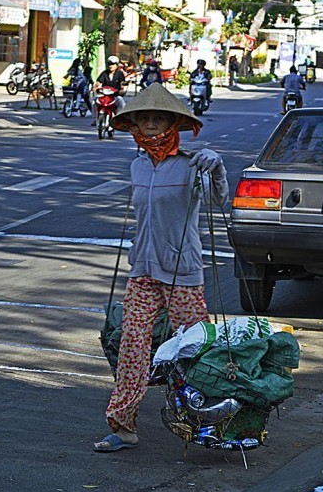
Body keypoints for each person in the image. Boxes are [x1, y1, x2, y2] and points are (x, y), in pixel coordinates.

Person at [92, 82, 229, 452]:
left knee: (196, 351)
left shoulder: (192, 164)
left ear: (172, 124)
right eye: (144, 118)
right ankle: (123, 427)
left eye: (158, 119)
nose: (150, 125)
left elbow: (219, 200)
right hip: (143, 273)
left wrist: (216, 168)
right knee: (132, 350)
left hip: (183, 274)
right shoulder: (137, 165)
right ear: (135, 123)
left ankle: (216, 421)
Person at [92, 55, 127, 126]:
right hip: (104, 96)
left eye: (113, 64)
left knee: (121, 101)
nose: (111, 66)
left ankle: (119, 118)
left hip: (115, 96)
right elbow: (98, 82)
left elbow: (122, 83)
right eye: (109, 64)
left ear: (117, 65)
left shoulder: (120, 73)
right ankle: (95, 119)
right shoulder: (104, 73)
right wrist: (94, 87)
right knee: (94, 100)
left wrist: (122, 90)